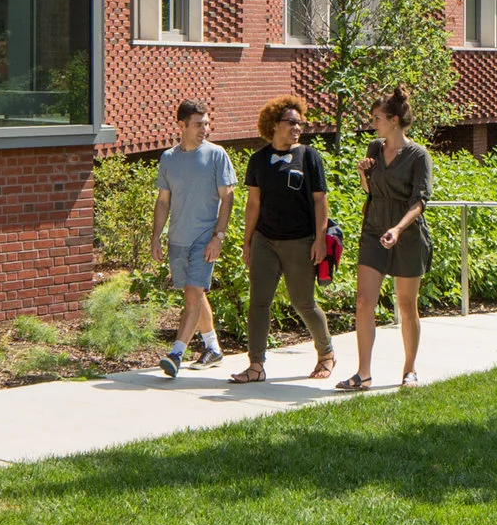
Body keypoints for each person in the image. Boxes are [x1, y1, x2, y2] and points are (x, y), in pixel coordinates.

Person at [230, 96, 334, 384]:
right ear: (274, 125)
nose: (297, 128)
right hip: (265, 240)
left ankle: (326, 353)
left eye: (300, 123)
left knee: (303, 303)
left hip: (300, 241)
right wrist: (247, 242)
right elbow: (253, 204)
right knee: (258, 303)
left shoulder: (309, 157)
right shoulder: (258, 160)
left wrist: (320, 240)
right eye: (291, 123)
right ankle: (256, 365)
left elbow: (320, 201)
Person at [338, 86, 433, 392]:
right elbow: (370, 191)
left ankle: (409, 370)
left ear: (394, 120)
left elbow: (419, 201)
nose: (373, 123)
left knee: (406, 305)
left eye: (377, 118)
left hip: (406, 234)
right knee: (364, 301)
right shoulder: (374, 148)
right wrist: (364, 174)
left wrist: (398, 229)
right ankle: (363, 374)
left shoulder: (418, 155)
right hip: (374, 228)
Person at [151, 101, 236, 377]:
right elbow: (163, 201)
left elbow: (228, 197)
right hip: (178, 239)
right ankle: (213, 347)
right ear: (182, 126)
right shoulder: (169, 159)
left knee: (192, 295)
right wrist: (156, 237)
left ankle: (176, 354)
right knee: (194, 293)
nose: (205, 129)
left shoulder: (216, 155)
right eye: (199, 124)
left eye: (207, 123)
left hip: (204, 237)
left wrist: (218, 237)